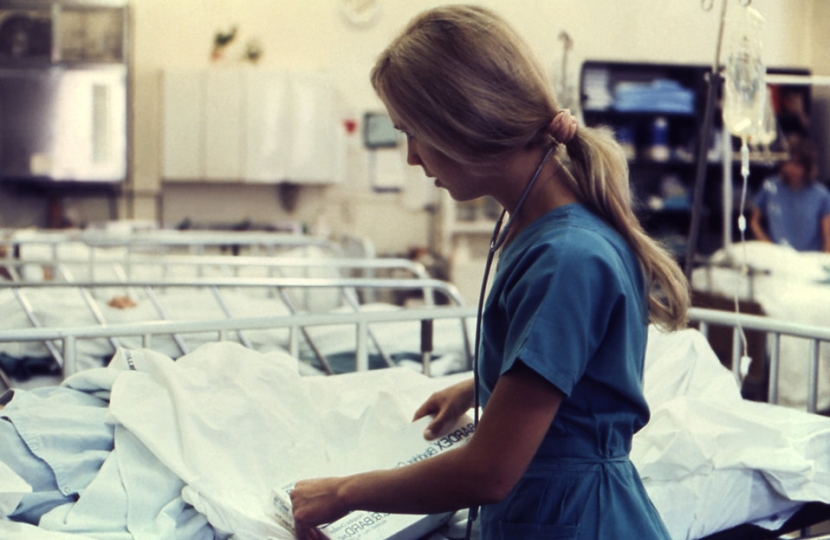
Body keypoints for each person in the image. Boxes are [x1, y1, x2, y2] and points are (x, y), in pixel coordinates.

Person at [289, 5, 690, 540]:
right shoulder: (543, 233)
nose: (410, 157)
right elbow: (570, 378)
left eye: (411, 132)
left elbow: (490, 471)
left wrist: (342, 493)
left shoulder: (567, 256)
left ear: (463, 122)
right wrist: (481, 387)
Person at [750, 135, 830, 252]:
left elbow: (827, 238)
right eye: (788, 163)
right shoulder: (770, 187)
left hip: (809, 259)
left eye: (797, 164)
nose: (791, 168)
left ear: (807, 167)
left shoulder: (822, 195)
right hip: (779, 257)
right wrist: (768, 246)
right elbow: (754, 221)